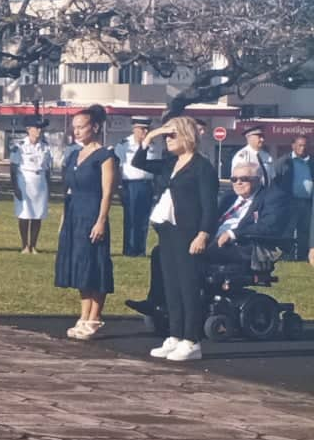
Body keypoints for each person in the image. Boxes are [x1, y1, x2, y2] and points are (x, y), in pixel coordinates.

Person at [134, 116, 218, 363]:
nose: (168, 140)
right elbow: (138, 162)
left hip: (188, 232)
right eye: (166, 136)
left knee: (188, 286)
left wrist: (203, 234)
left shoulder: (202, 167)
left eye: (172, 135)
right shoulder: (170, 163)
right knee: (171, 285)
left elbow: (209, 206)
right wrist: (151, 136)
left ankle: (191, 340)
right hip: (167, 231)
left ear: (187, 136)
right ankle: (175, 334)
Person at [56, 106, 118, 340]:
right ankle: (83, 315)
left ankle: (94, 317)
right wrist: (64, 219)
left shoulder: (105, 156)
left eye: (81, 127)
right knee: (79, 265)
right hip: (74, 213)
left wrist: (101, 220)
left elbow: (107, 192)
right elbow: (68, 190)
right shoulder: (73, 155)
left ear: (95, 127)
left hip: (93, 213)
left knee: (95, 264)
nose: (77, 132)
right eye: (74, 128)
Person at [114, 117, 159, 258]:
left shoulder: (153, 145)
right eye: (141, 129)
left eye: (147, 129)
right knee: (131, 218)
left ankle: (140, 249)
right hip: (131, 184)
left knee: (144, 218)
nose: (145, 132)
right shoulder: (124, 145)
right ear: (134, 129)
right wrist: (119, 187)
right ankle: (129, 249)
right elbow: (118, 167)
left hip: (147, 184)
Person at [9, 117, 54, 254]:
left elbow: (47, 169)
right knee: (24, 214)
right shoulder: (19, 146)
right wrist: (15, 186)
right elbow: (13, 168)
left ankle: (33, 245)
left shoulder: (45, 147)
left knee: (37, 214)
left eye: (40, 128)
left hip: (40, 180)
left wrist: (49, 187)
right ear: (29, 129)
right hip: (25, 180)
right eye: (36, 128)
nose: (39, 131)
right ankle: (24, 245)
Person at [285, 135, 313, 264]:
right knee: (289, 229)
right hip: (291, 202)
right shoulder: (286, 161)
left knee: (304, 230)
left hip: (307, 203)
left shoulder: (310, 162)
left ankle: (302, 256)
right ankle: (287, 256)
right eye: (300, 145)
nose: (303, 148)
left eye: (305, 145)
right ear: (293, 146)